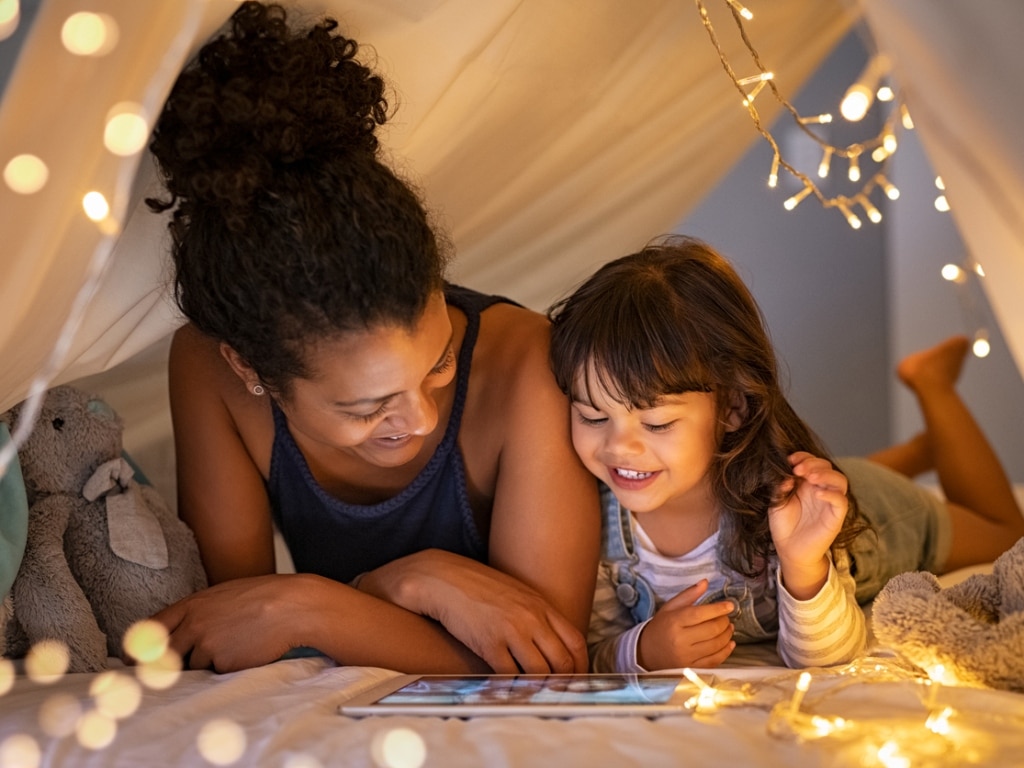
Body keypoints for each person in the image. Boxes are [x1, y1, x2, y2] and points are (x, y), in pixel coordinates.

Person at [144, 1, 600, 674]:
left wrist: (341, 597)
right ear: (252, 371)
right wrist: (355, 598)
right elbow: (235, 627)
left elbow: (550, 664)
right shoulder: (207, 368)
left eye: (440, 363)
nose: (418, 417)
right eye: (364, 407)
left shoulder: (527, 360)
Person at [547, 235, 1024, 673]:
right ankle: (920, 451)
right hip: (811, 478)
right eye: (592, 416)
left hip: (875, 517)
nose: (618, 446)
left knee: (1007, 530)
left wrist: (803, 565)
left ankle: (932, 385)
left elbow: (829, 655)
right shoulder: (591, 521)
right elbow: (593, 648)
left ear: (731, 406)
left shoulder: (785, 511)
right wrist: (643, 650)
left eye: (657, 424)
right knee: (836, 474)